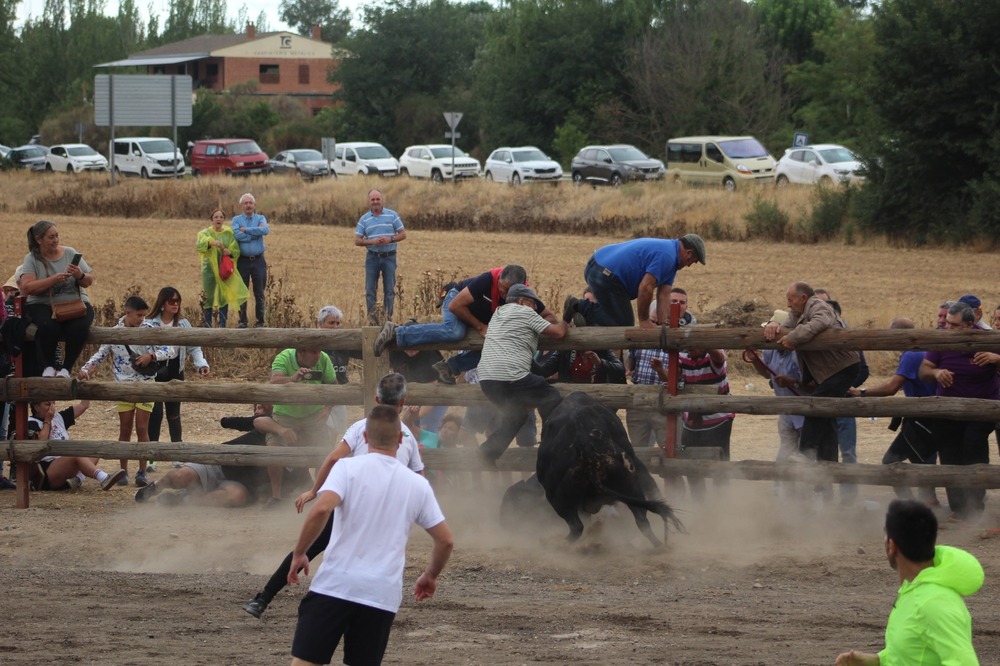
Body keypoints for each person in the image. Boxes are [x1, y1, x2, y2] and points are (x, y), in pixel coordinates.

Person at [242, 373, 424, 620]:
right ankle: (370, 609)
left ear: (375, 398)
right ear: (403, 402)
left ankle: (263, 599)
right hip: (384, 510)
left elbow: (333, 457)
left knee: (310, 546)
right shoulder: (408, 437)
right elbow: (419, 477)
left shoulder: (361, 427)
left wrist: (314, 491)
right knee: (376, 556)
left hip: (351, 501)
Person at [287, 405, 452, 666]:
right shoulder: (418, 485)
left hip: (335, 584)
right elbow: (445, 540)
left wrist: (299, 553)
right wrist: (429, 575)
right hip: (380, 593)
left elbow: (320, 509)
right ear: (401, 439)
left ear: (364, 437)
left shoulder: (346, 469)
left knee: (306, 662)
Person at [834, 499, 983, 666]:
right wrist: (878, 661)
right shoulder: (914, 590)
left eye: (885, 533)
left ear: (891, 545)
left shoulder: (934, 604)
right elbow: (918, 650)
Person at [762, 282, 861, 470]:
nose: (789, 305)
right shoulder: (798, 313)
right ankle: (828, 465)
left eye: (790, 300)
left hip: (842, 367)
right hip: (831, 370)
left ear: (803, 298)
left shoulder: (818, 306)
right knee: (826, 414)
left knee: (816, 404)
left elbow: (819, 322)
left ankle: (806, 453)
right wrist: (774, 325)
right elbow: (785, 326)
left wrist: (793, 338)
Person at [135, 403, 309, 507]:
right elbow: (258, 421)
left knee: (236, 496)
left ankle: (184, 499)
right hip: (219, 463)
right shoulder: (271, 424)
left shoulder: (298, 461)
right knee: (182, 475)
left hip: (240, 484)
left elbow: (307, 487)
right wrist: (282, 429)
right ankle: (156, 487)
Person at [78, 295, 171, 488]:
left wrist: (151, 355)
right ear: (127, 313)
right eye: (138, 315)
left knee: (142, 428)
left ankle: (142, 470)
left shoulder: (150, 330)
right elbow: (101, 354)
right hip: (123, 386)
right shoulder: (114, 333)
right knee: (125, 428)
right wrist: (87, 368)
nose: (142, 319)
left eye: (144, 315)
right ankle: (123, 470)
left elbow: (170, 349)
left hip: (146, 384)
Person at [918, 302, 999, 521]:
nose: (948, 330)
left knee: (974, 450)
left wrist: (997, 358)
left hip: (980, 409)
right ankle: (958, 509)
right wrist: (936, 373)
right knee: (949, 455)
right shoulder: (941, 340)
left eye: (955, 326)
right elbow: (923, 370)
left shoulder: (989, 339)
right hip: (948, 409)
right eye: (947, 324)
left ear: (970, 324)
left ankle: (975, 508)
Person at [849, 317, 939, 504]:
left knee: (891, 462)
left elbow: (891, 387)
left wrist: (861, 393)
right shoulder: (923, 351)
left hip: (921, 419)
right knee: (924, 463)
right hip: (932, 417)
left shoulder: (911, 355)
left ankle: (909, 504)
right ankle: (928, 504)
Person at [477, 284, 568, 466]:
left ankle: (487, 453)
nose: (535, 309)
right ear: (521, 301)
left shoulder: (497, 314)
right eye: (533, 303)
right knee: (550, 396)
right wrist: (566, 318)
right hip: (510, 375)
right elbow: (558, 333)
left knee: (517, 414)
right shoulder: (525, 313)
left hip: (487, 379)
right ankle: (553, 444)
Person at [372, 265, 527, 368]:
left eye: (510, 290)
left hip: (478, 314)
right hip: (457, 301)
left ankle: (450, 367)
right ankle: (397, 332)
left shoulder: (525, 296)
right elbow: (455, 306)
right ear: (499, 279)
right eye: (503, 287)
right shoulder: (486, 280)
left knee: (497, 343)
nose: (504, 293)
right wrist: (480, 326)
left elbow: (540, 314)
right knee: (454, 331)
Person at [563, 234, 706, 328]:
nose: (690, 265)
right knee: (624, 324)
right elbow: (646, 287)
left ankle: (585, 318)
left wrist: (664, 323)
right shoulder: (667, 256)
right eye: (694, 261)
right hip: (605, 273)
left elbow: (664, 294)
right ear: (689, 254)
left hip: (599, 266)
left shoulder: (671, 260)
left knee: (613, 318)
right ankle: (578, 306)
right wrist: (644, 320)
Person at [652, 346, 735, 499]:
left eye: (692, 346)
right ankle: (699, 501)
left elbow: (718, 357)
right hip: (692, 419)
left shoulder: (714, 355)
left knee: (719, 461)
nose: (688, 349)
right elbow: (672, 381)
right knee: (689, 461)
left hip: (718, 418)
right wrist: (659, 370)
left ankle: (722, 500)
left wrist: (703, 341)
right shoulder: (684, 357)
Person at [19, 220, 95, 377]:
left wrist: (79, 274)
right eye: (51, 237)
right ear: (39, 240)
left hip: (74, 303)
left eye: (57, 236)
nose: (56, 240)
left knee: (80, 327)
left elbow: (88, 281)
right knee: (48, 325)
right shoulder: (31, 259)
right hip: (43, 304)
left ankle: (66, 368)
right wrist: (53, 279)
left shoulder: (70, 253)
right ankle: (48, 366)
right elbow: (27, 287)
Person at [146, 287, 210, 469]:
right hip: (154, 372)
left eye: (178, 301)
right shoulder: (149, 323)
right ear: (162, 304)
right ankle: (152, 456)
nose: (175, 305)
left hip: (175, 371)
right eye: (171, 301)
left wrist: (201, 364)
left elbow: (194, 347)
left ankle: (177, 454)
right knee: (155, 414)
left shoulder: (183, 324)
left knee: (174, 414)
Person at [266, 346, 337, 504]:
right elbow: (274, 381)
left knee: (323, 451)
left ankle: (318, 495)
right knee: (273, 450)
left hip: (314, 415)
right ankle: (276, 496)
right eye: (313, 352)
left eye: (318, 351)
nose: (317, 355)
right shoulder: (283, 357)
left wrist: (327, 410)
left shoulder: (324, 358)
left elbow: (334, 386)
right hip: (285, 415)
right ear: (300, 352)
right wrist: (292, 378)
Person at [625, 295, 690, 447]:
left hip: (664, 401)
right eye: (650, 321)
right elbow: (632, 358)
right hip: (639, 400)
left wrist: (660, 370)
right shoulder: (640, 337)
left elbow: (676, 380)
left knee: (668, 448)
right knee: (638, 449)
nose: (651, 327)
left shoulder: (679, 341)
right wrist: (628, 367)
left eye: (656, 323)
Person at [752, 310, 805, 497]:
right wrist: (755, 361)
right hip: (786, 410)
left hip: (806, 410)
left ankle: (808, 498)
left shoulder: (801, 351)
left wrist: (793, 382)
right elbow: (767, 373)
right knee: (787, 454)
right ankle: (782, 494)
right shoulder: (771, 350)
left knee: (806, 455)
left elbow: (814, 381)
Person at [25, 399, 127, 491]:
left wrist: (84, 384)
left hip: (65, 464)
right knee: (75, 453)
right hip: (47, 470)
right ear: (36, 407)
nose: (52, 408)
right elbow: (40, 442)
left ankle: (77, 479)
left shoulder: (59, 417)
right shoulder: (31, 423)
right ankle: (103, 478)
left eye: (54, 403)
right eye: (47, 404)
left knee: (93, 450)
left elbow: (84, 405)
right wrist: (47, 420)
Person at [355, 189, 406, 324]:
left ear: (382, 200)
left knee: (389, 290)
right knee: (370, 290)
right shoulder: (364, 219)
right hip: (372, 257)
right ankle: (372, 321)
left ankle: (387, 320)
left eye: (378, 199)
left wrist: (390, 239)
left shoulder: (392, 215)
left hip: (389, 257)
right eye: (373, 199)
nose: (376, 202)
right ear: (369, 201)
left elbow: (403, 234)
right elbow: (357, 240)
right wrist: (372, 242)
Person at [197, 208, 247, 328]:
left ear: (224, 219)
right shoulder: (204, 233)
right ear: (211, 220)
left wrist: (228, 252)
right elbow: (199, 245)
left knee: (223, 295)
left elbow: (236, 250)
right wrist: (211, 243)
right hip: (209, 269)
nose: (218, 219)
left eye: (221, 217)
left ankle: (222, 324)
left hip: (224, 270)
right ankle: (207, 324)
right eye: (216, 217)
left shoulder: (229, 233)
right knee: (208, 295)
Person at [232, 193, 269, 328]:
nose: (248, 205)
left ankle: (260, 321)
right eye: (245, 203)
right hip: (243, 261)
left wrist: (246, 230)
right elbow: (236, 234)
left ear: (254, 205)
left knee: (259, 292)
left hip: (258, 261)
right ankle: (242, 321)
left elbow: (265, 230)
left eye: (250, 203)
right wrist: (254, 234)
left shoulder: (260, 218)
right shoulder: (236, 220)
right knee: (242, 292)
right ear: (241, 206)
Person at [318, 305, 353, 441]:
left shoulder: (344, 343)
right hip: (320, 393)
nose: (335, 327)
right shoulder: (315, 345)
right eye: (331, 323)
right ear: (320, 324)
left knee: (338, 430)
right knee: (327, 429)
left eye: (338, 323)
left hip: (340, 393)